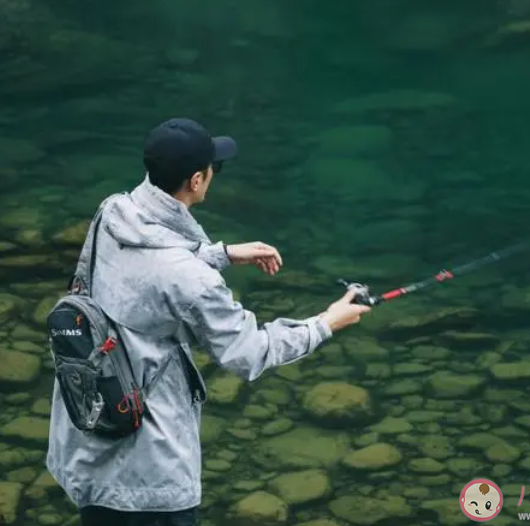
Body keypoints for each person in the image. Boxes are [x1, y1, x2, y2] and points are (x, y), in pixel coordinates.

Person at [46, 117, 371, 526]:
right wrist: (326, 322)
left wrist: (221, 254)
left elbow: (143, 273)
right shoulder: (190, 279)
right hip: (148, 474)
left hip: (86, 428)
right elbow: (250, 353)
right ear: (197, 180)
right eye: (215, 167)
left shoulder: (112, 212)